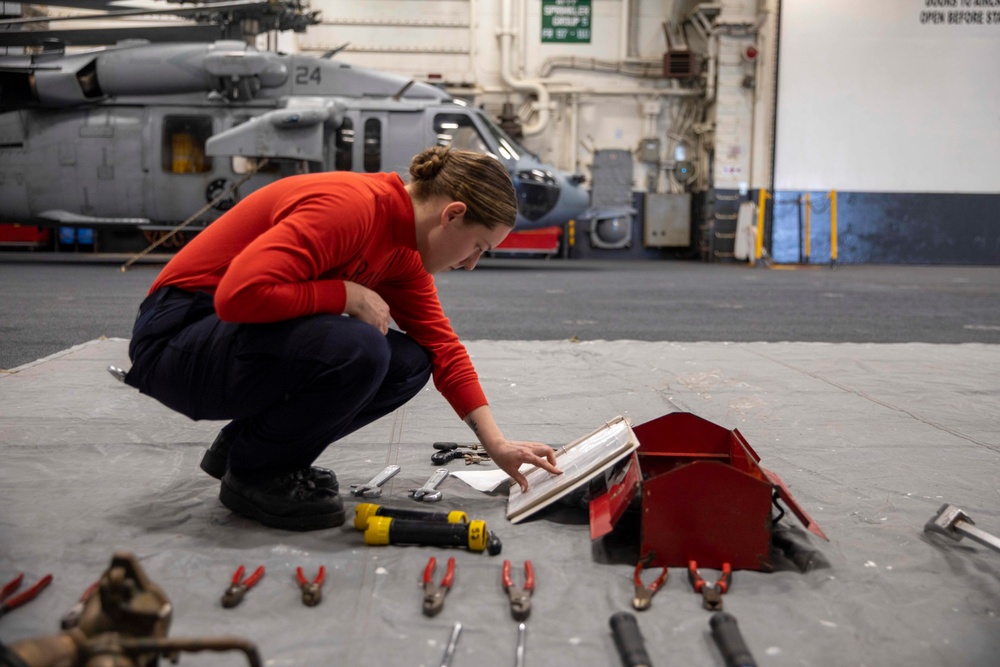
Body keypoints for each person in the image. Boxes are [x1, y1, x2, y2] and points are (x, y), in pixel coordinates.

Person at [124, 147, 562, 531]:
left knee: (409, 362)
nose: (470, 265)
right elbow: (237, 296)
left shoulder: (402, 251)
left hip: (223, 340)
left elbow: (444, 348)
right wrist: (347, 294)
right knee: (360, 346)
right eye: (479, 247)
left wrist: (497, 445)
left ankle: (251, 447)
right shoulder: (352, 208)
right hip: (175, 340)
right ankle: (256, 475)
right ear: (452, 215)